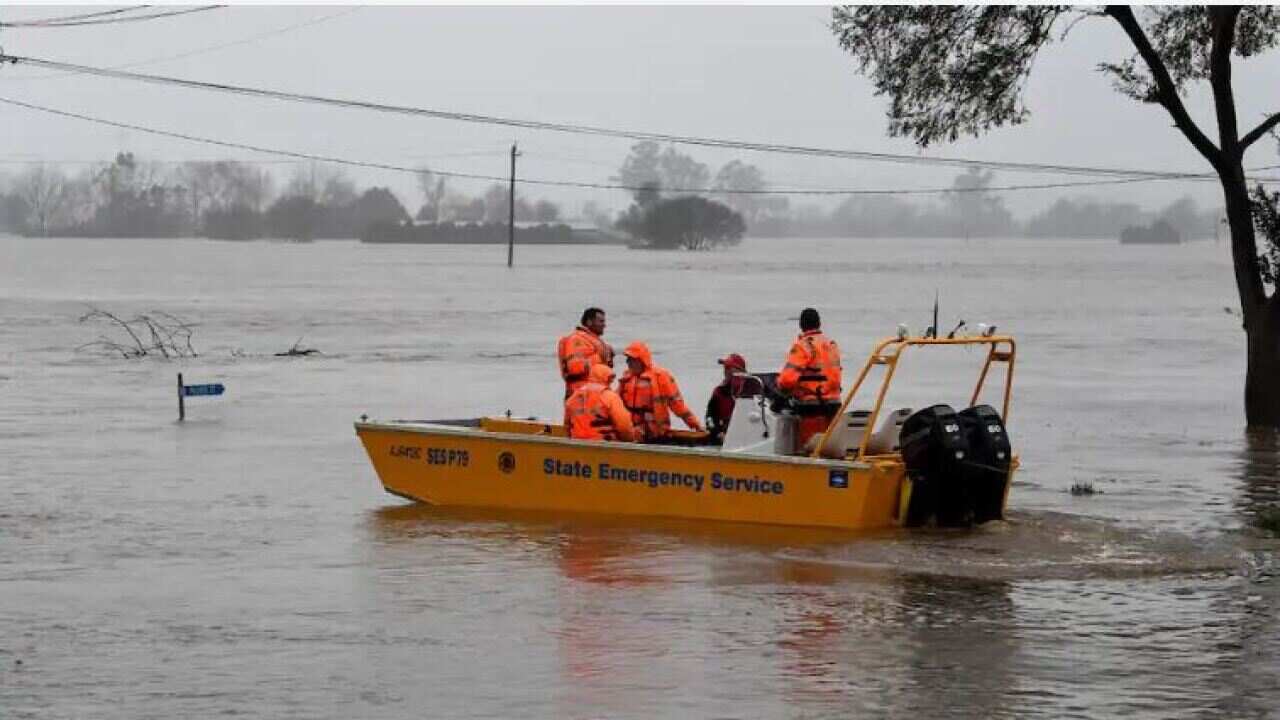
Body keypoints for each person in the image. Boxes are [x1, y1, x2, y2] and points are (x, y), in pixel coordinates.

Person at [777, 307, 843, 450]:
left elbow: (786, 380)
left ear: (801, 325)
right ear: (819, 323)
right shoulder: (831, 345)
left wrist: (780, 390)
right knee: (829, 447)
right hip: (834, 405)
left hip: (812, 406)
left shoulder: (803, 346)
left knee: (811, 448)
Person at [618, 341, 704, 442]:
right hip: (632, 433)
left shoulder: (660, 377)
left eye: (631, 359)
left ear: (641, 360)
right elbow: (615, 403)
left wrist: (695, 425)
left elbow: (678, 406)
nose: (627, 362)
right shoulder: (626, 377)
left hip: (655, 434)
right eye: (627, 359)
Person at [565, 364, 637, 442]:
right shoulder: (610, 397)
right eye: (610, 380)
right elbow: (624, 426)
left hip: (577, 446)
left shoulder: (573, 397)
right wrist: (629, 440)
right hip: (605, 447)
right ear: (605, 378)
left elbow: (567, 426)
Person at [557, 307, 615, 400]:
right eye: (601, 321)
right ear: (589, 322)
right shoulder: (576, 340)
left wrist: (609, 357)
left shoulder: (593, 341)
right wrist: (600, 356)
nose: (604, 325)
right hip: (580, 396)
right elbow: (574, 368)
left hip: (595, 393)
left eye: (604, 321)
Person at [706, 353, 752, 443]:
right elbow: (709, 418)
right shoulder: (719, 391)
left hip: (747, 436)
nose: (725, 371)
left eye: (728, 368)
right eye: (725, 368)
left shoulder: (753, 389)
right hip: (724, 439)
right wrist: (718, 433)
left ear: (740, 371)